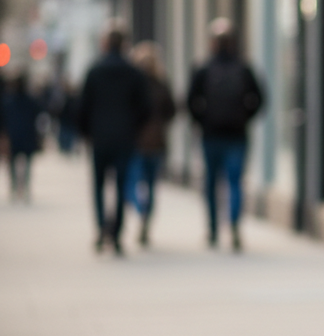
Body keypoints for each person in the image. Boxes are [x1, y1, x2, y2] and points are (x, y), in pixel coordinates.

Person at [187, 19, 264, 251]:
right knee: (234, 182)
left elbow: (191, 101)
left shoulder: (204, 68)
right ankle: (234, 226)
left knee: (211, 183)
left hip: (211, 135)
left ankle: (213, 229)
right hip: (236, 135)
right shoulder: (243, 68)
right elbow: (259, 99)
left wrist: (202, 121)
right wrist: (244, 117)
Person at [78, 22, 150, 254]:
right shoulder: (133, 73)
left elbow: (83, 107)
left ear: (105, 44)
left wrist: (86, 133)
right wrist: (134, 129)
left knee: (99, 186)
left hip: (100, 138)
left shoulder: (94, 71)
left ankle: (102, 229)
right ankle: (117, 233)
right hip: (125, 138)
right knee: (120, 186)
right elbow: (144, 108)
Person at [126, 41, 176, 246]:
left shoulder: (132, 85)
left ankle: (142, 211)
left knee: (133, 184)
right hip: (155, 143)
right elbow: (171, 111)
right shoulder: (161, 84)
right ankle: (145, 215)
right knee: (149, 185)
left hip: (137, 143)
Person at [2, 73, 44, 201]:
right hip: (28, 135)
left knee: (12, 164)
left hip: (13, 136)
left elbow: (3, 120)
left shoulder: (7, 101)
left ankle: (15, 187)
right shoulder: (31, 100)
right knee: (27, 164)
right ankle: (25, 187)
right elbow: (39, 116)